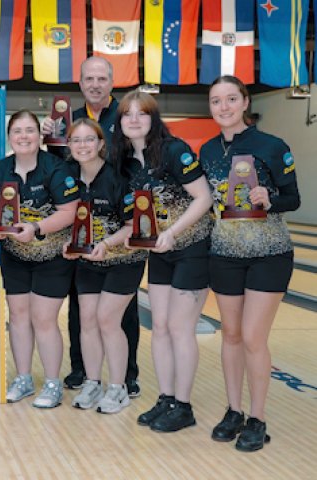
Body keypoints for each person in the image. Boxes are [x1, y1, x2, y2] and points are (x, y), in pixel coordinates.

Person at [200, 75, 299, 452]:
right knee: (231, 335)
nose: (223, 107)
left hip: (268, 253)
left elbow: (293, 198)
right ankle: (234, 411)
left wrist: (268, 199)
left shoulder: (272, 146)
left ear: (245, 103)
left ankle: (257, 418)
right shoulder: (208, 150)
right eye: (215, 101)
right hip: (225, 253)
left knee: (254, 337)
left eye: (230, 99)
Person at [112, 91, 213, 432]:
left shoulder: (173, 150)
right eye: (127, 114)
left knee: (180, 328)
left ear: (153, 119)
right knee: (160, 327)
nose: (134, 119)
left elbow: (204, 198)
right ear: (120, 122)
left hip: (192, 248)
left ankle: (183, 406)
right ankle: (166, 398)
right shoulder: (127, 162)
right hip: (160, 252)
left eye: (142, 113)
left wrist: (173, 232)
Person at [42, 56, 141, 397]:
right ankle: (83, 370)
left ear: (112, 82)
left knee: (119, 313)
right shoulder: (68, 120)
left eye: (101, 78)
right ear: (81, 83)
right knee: (81, 309)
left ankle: (126, 376)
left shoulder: (126, 115)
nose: (95, 84)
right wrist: (49, 139)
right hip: (83, 230)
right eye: (89, 79)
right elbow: (60, 167)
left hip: (119, 224)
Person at [0, 110, 78, 408]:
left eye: (30, 130)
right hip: (15, 255)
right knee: (17, 316)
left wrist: (36, 228)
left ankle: (52, 383)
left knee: (43, 319)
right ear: (9, 137)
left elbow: (69, 212)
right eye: (17, 131)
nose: (24, 136)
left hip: (52, 255)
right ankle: (24, 378)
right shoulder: (0, 168)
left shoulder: (56, 168)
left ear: (40, 135)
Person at [62, 119, 147, 414]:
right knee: (87, 320)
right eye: (76, 140)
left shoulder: (119, 178)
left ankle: (118, 387)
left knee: (107, 320)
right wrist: (69, 242)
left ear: (100, 144)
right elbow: (68, 219)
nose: (82, 145)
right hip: (88, 260)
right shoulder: (68, 178)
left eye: (89, 139)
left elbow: (133, 226)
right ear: (69, 145)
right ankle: (93, 382)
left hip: (124, 259)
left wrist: (107, 244)